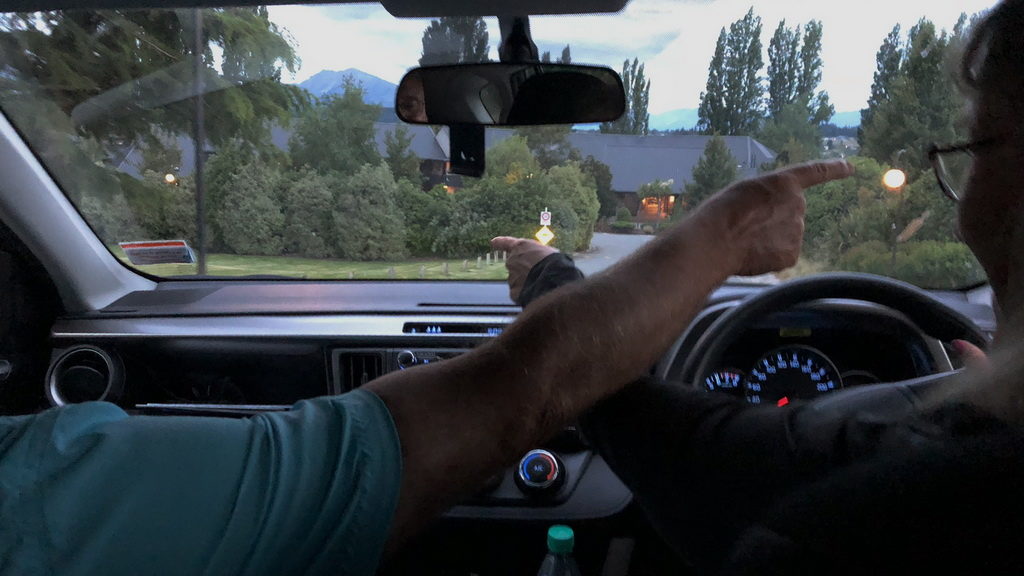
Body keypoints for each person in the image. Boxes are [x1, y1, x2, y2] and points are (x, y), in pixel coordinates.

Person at [0, 155, 852, 572]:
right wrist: (728, 234)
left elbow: (536, 387)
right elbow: (524, 389)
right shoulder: (37, 499)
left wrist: (557, 278)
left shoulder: (44, 493)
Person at [493, 1, 1024, 572]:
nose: (964, 211)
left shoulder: (900, 500)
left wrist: (549, 278)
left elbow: (650, 428)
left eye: (974, 150)